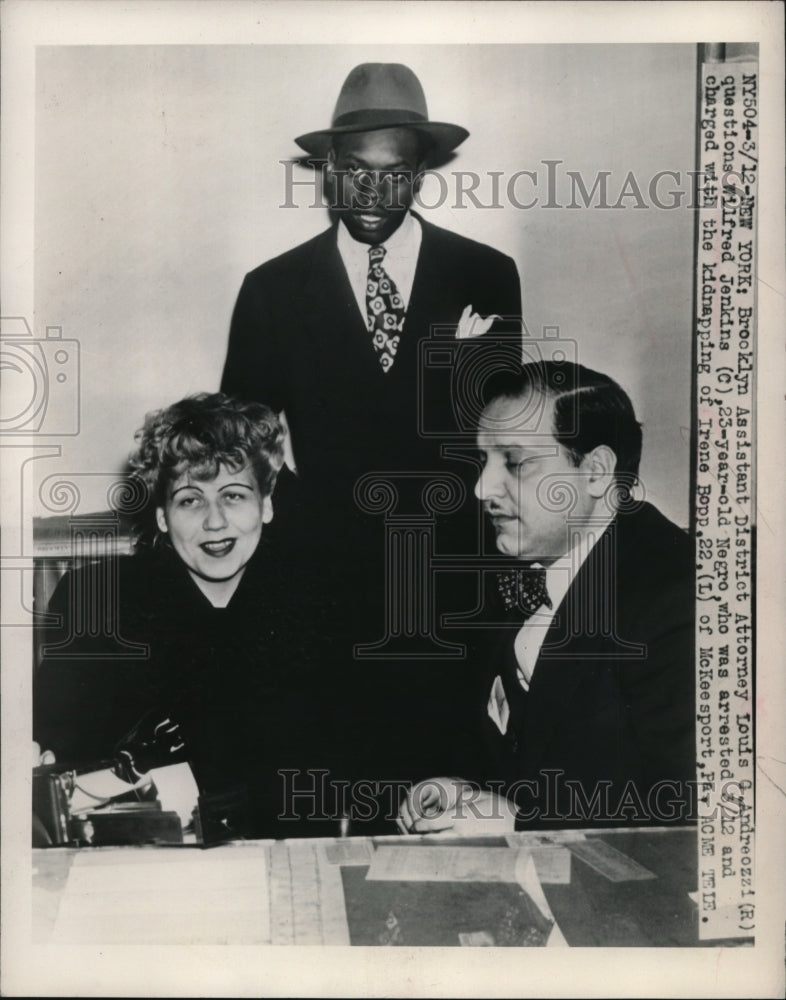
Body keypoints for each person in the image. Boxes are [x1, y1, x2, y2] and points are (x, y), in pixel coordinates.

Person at [220, 63, 523, 808]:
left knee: (449, 813)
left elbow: (497, 434)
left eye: (395, 174)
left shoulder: (485, 273)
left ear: (422, 172)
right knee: (333, 804)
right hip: (322, 601)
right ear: (327, 171)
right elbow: (240, 445)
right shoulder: (271, 289)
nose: (373, 193)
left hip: (452, 597)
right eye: (353, 171)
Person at [398, 360, 696, 835]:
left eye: (514, 463)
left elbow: (691, 817)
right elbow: (528, 751)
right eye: (484, 462)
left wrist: (518, 823)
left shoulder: (681, 598)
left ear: (596, 472)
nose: (481, 489)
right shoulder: (517, 565)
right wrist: (461, 786)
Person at [34, 392, 332, 839]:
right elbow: (61, 767)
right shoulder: (92, 604)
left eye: (234, 495)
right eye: (190, 500)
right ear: (160, 515)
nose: (215, 521)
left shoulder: (320, 602)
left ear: (267, 505)